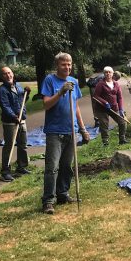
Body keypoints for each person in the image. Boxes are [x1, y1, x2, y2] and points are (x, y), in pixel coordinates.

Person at [40, 52, 90, 214]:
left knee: (66, 166)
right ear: (57, 65)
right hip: (54, 131)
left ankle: (63, 194)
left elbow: (75, 107)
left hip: (71, 130)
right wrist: (60, 92)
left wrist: (82, 129)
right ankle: (48, 200)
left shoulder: (73, 81)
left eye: (69, 64)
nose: (67, 67)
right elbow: (46, 105)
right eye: (64, 64)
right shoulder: (49, 80)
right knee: (52, 167)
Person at [0, 66, 31, 182]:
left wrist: (27, 93)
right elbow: (5, 106)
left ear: (13, 74)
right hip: (10, 122)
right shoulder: (1, 91)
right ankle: (5, 171)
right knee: (9, 146)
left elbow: (22, 102)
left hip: (21, 120)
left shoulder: (18, 86)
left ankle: (21, 167)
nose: (8, 75)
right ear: (2, 77)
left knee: (23, 144)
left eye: (9, 73)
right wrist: (14, 117)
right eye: (5, 74)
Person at [93, 66, 127, 146]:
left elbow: (120, 97)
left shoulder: (116, 84)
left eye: (109, 72)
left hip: (114, 108)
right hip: (102, 109)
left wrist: (121, 108)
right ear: (104, 74)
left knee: (122, 122)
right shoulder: (100, 84)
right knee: (104, 125)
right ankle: (105, 142)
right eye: (106, 72)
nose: (108, 74)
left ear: (112, 74)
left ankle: (122, 139)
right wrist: (105, 102)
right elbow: (96, 96)